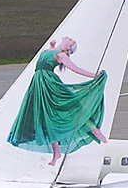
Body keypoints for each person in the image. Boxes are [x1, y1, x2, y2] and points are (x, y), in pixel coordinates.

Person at [7, 37, 108, 166]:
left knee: (67, 109)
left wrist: (93, 75)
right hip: (39, 84)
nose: (68, 38)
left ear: (68, 48)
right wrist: (52, 45)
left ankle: (93, 128)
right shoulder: (53, 50)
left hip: (48, 84)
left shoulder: (60, 55)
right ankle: (56, 153)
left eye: (70, 41)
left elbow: (75, 69)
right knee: (46, 117)